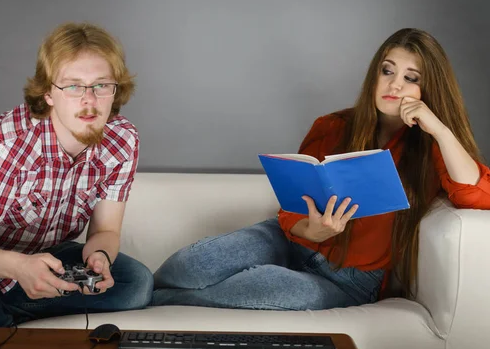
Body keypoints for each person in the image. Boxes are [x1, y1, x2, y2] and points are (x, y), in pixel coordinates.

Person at [151, 28, 490, 310]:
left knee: (265, 285)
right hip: (290, 239)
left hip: (349, 280)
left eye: (410, 78)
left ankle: (145, 302)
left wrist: (440, 129)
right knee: (192, 265)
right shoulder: (332, 126)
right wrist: (308, 231)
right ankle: (138, 291)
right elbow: (291, 204)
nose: (394, 85)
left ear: (428, 89)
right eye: (387, 71)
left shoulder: (432, 146)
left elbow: (478, 194)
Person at [0, 22, 153, 341]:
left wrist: (100, 257)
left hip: (42, 254)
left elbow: (105, 231)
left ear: (116, 90)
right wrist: (18, 268)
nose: (89, 101)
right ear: (48, 93)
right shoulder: (10, 142)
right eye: (73, 86)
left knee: (135, 283)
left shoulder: (123, 140)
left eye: (101, 85)